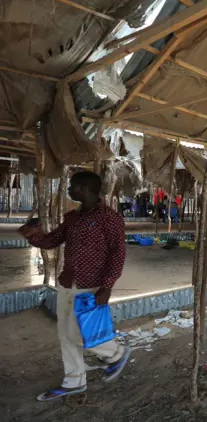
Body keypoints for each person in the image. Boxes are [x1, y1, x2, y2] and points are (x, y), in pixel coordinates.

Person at [18, 171, 130, 401]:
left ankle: (116, 353)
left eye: (72, 187)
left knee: (78, 334)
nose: (68, 190)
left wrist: (107, 285)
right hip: (68, 282)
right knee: (65, 335)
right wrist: (33, 235)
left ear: (85, 188)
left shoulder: (109, 218)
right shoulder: (72, 217)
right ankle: (74, 380)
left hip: (92, 286)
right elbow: (51, 241)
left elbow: (118, 253)